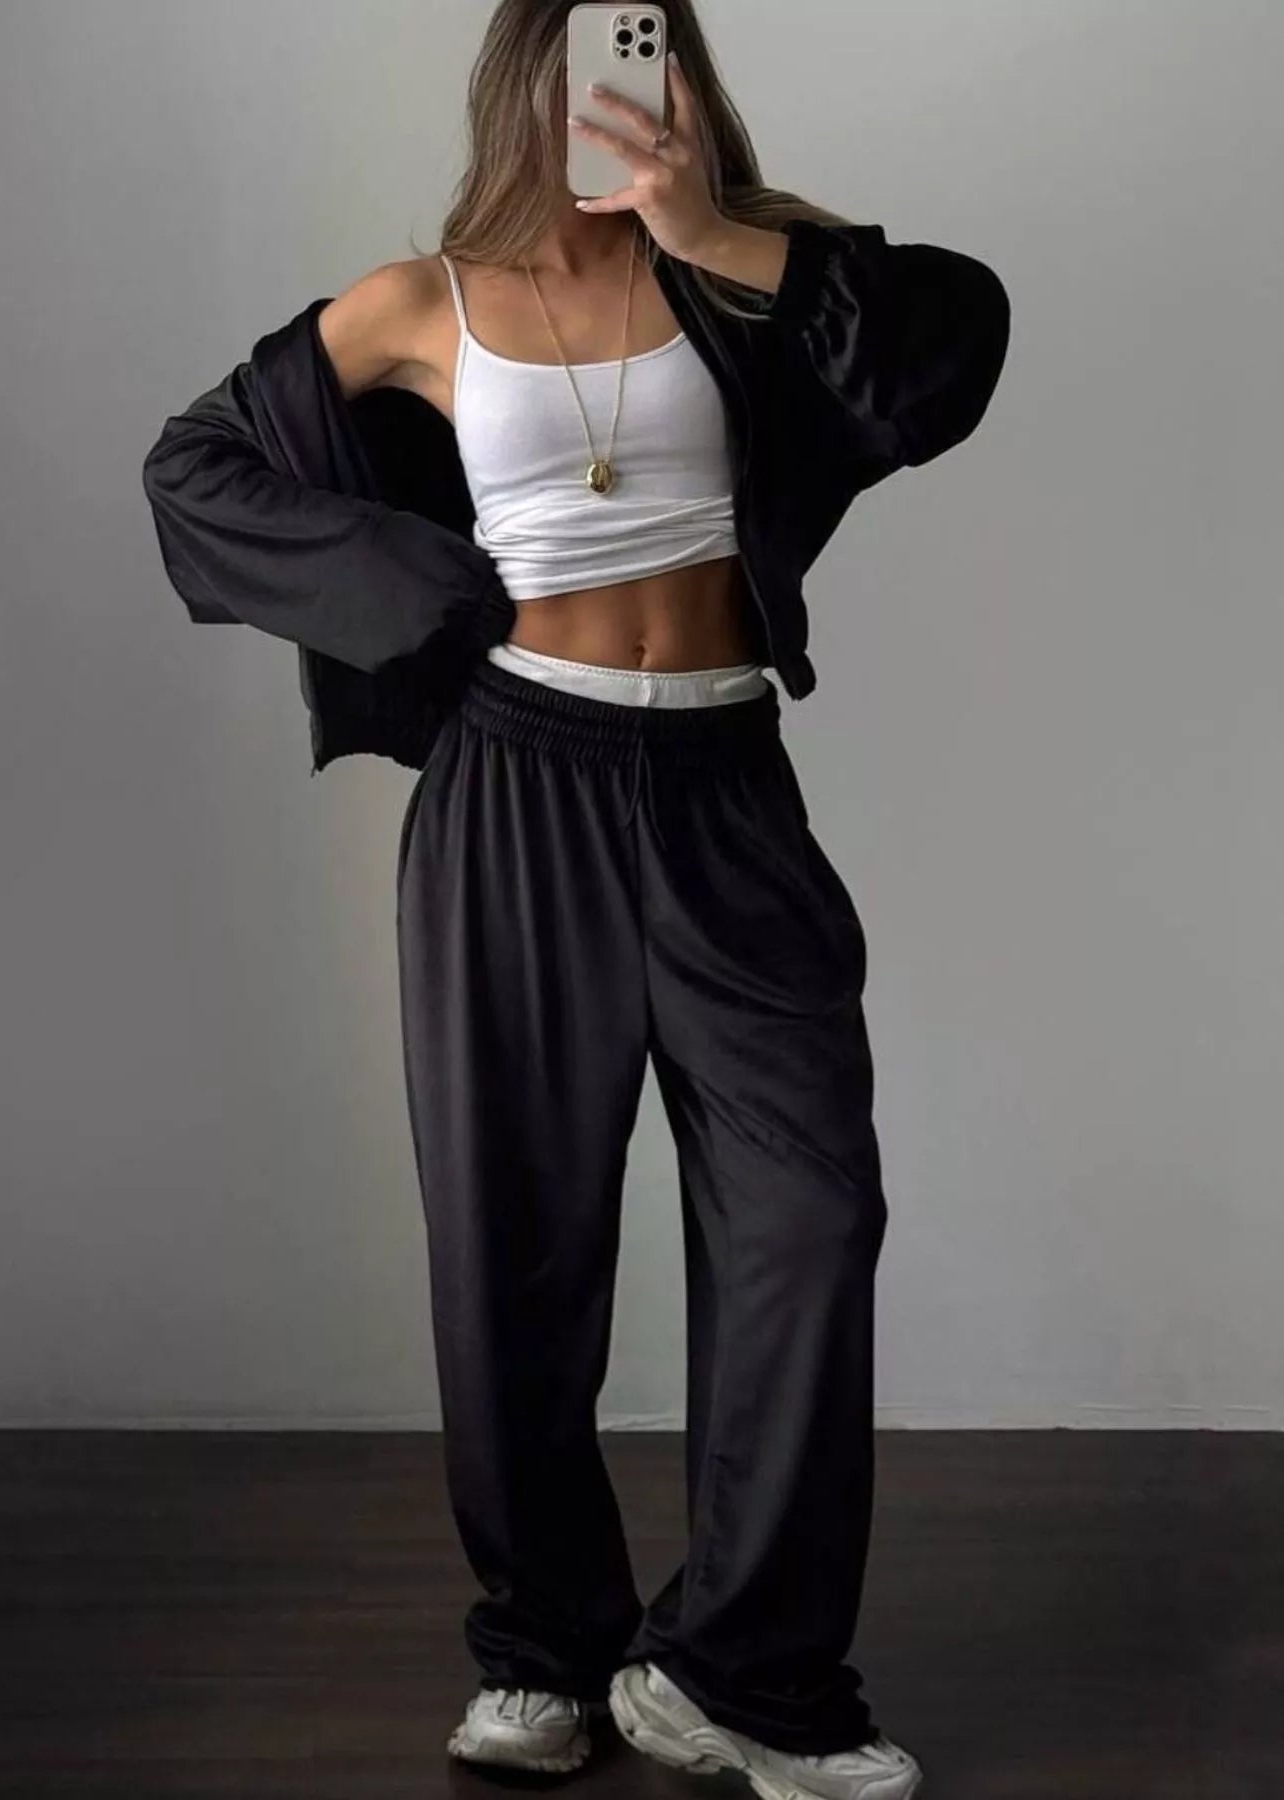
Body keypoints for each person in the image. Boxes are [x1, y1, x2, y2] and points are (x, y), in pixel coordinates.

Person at [142, 5, 1010, 1795]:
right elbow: (195, 469)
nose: (617, 91)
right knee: (516, 1242)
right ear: (522, 86)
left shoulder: (753, 270)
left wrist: (713, 233)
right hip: (515, 789)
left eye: (650, 52)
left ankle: (739, 1672)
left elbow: (951, 344)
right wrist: (424, 590)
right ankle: (543, 1648)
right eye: (587, 58)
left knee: (809, 1215)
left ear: (682, 82)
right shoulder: (422, 303)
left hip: (724, 788)